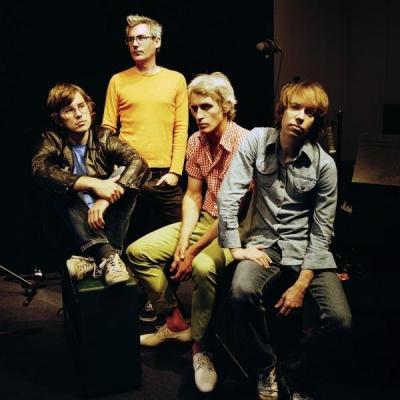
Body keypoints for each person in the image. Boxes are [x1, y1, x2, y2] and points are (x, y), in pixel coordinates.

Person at [218, 81, 352, 400]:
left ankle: (290, 372)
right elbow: (229, 194)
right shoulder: (256, 139)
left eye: (310, 113)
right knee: (240, 291)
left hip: (307, 250)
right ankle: (266, 365)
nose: (300, 117)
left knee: (340, 319)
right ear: (282, 110)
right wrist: (236, 248)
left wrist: (302, 284)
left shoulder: (324, 165)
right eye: (295, 108)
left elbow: (322, 230)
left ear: (316, 122)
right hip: (264, 243)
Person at [125, 72, 248, 393]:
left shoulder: (246, 143)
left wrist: (192, 253)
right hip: (206, 219)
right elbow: (193, 195)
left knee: (203, 266)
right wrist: (182, 243)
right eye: (194, 109)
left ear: (226, 107)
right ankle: (175, 322)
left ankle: (200, 348)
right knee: (138, 252)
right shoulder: (195, 142)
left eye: (206, 107)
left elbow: (232, 212)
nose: (199, 115)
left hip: (236, 228)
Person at [32, 83, 150, 286]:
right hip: (75, 218)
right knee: (59, 186)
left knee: (127, 177)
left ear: (89, 108)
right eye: (69, 110)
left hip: (106, 214)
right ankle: (108, 255)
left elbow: (138, 163)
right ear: (58, 118)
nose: (79, 114)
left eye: (81, 106)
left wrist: (105, 199)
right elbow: (40, 169)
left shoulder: (103, 137)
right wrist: (91, 183)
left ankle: (92, 260)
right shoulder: (52, 140)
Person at [102, 14, 188, 238]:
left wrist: (175, 172)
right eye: (130, 39)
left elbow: (181, 129)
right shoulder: (118, 80)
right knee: (118, 238)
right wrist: (114, 166)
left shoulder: (176, 79)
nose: (135, 44)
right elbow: (107, 130)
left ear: (157, 41)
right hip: (127, 172)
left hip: (162, 175)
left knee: (184, 233)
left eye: (141, 38)